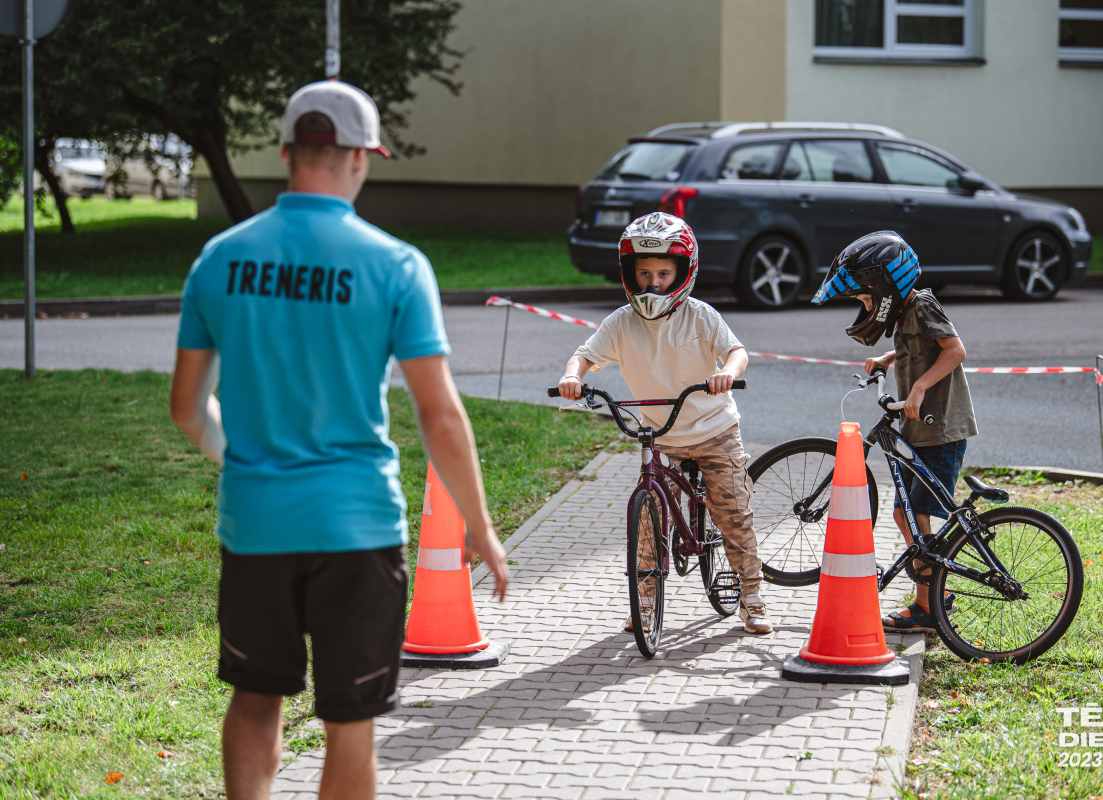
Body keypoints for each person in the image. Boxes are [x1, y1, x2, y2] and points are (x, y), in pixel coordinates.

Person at [169, 80, 509, 800]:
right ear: (360, 157)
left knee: (257, 697)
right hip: (357, 528)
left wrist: (249, 463)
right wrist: (480, 527)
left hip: (256, 524)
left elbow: (187, 411)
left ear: (289, 152)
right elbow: (440, 417)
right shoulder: (395, 265)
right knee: (349, 724)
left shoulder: (219, 259)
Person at [557, 212, 772, 635]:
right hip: (661, 435)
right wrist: (572, 377)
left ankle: (751, 594)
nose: (652, 283)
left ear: (682, 273)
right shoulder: (621, 322)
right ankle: (646, 599)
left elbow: (737, 352)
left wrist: (726, 371)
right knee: (648, 516)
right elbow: (584, 354)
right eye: (643, 273)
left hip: (714, 430)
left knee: (732, 511)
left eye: (662, 273)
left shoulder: (700, 316)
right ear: (629, 274)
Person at [811, 230, 977, 633]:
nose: (864, 307)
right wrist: (888, 357)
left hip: (940, 430)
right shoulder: (905, 315)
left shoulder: (921, 305)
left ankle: (930, 606)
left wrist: (919, 387)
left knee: (913, 512)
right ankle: (933, 595)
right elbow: (920, 348)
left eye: (865, 299)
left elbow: (955, 350)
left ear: (885, 288)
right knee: (906, 513)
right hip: (919, 430)